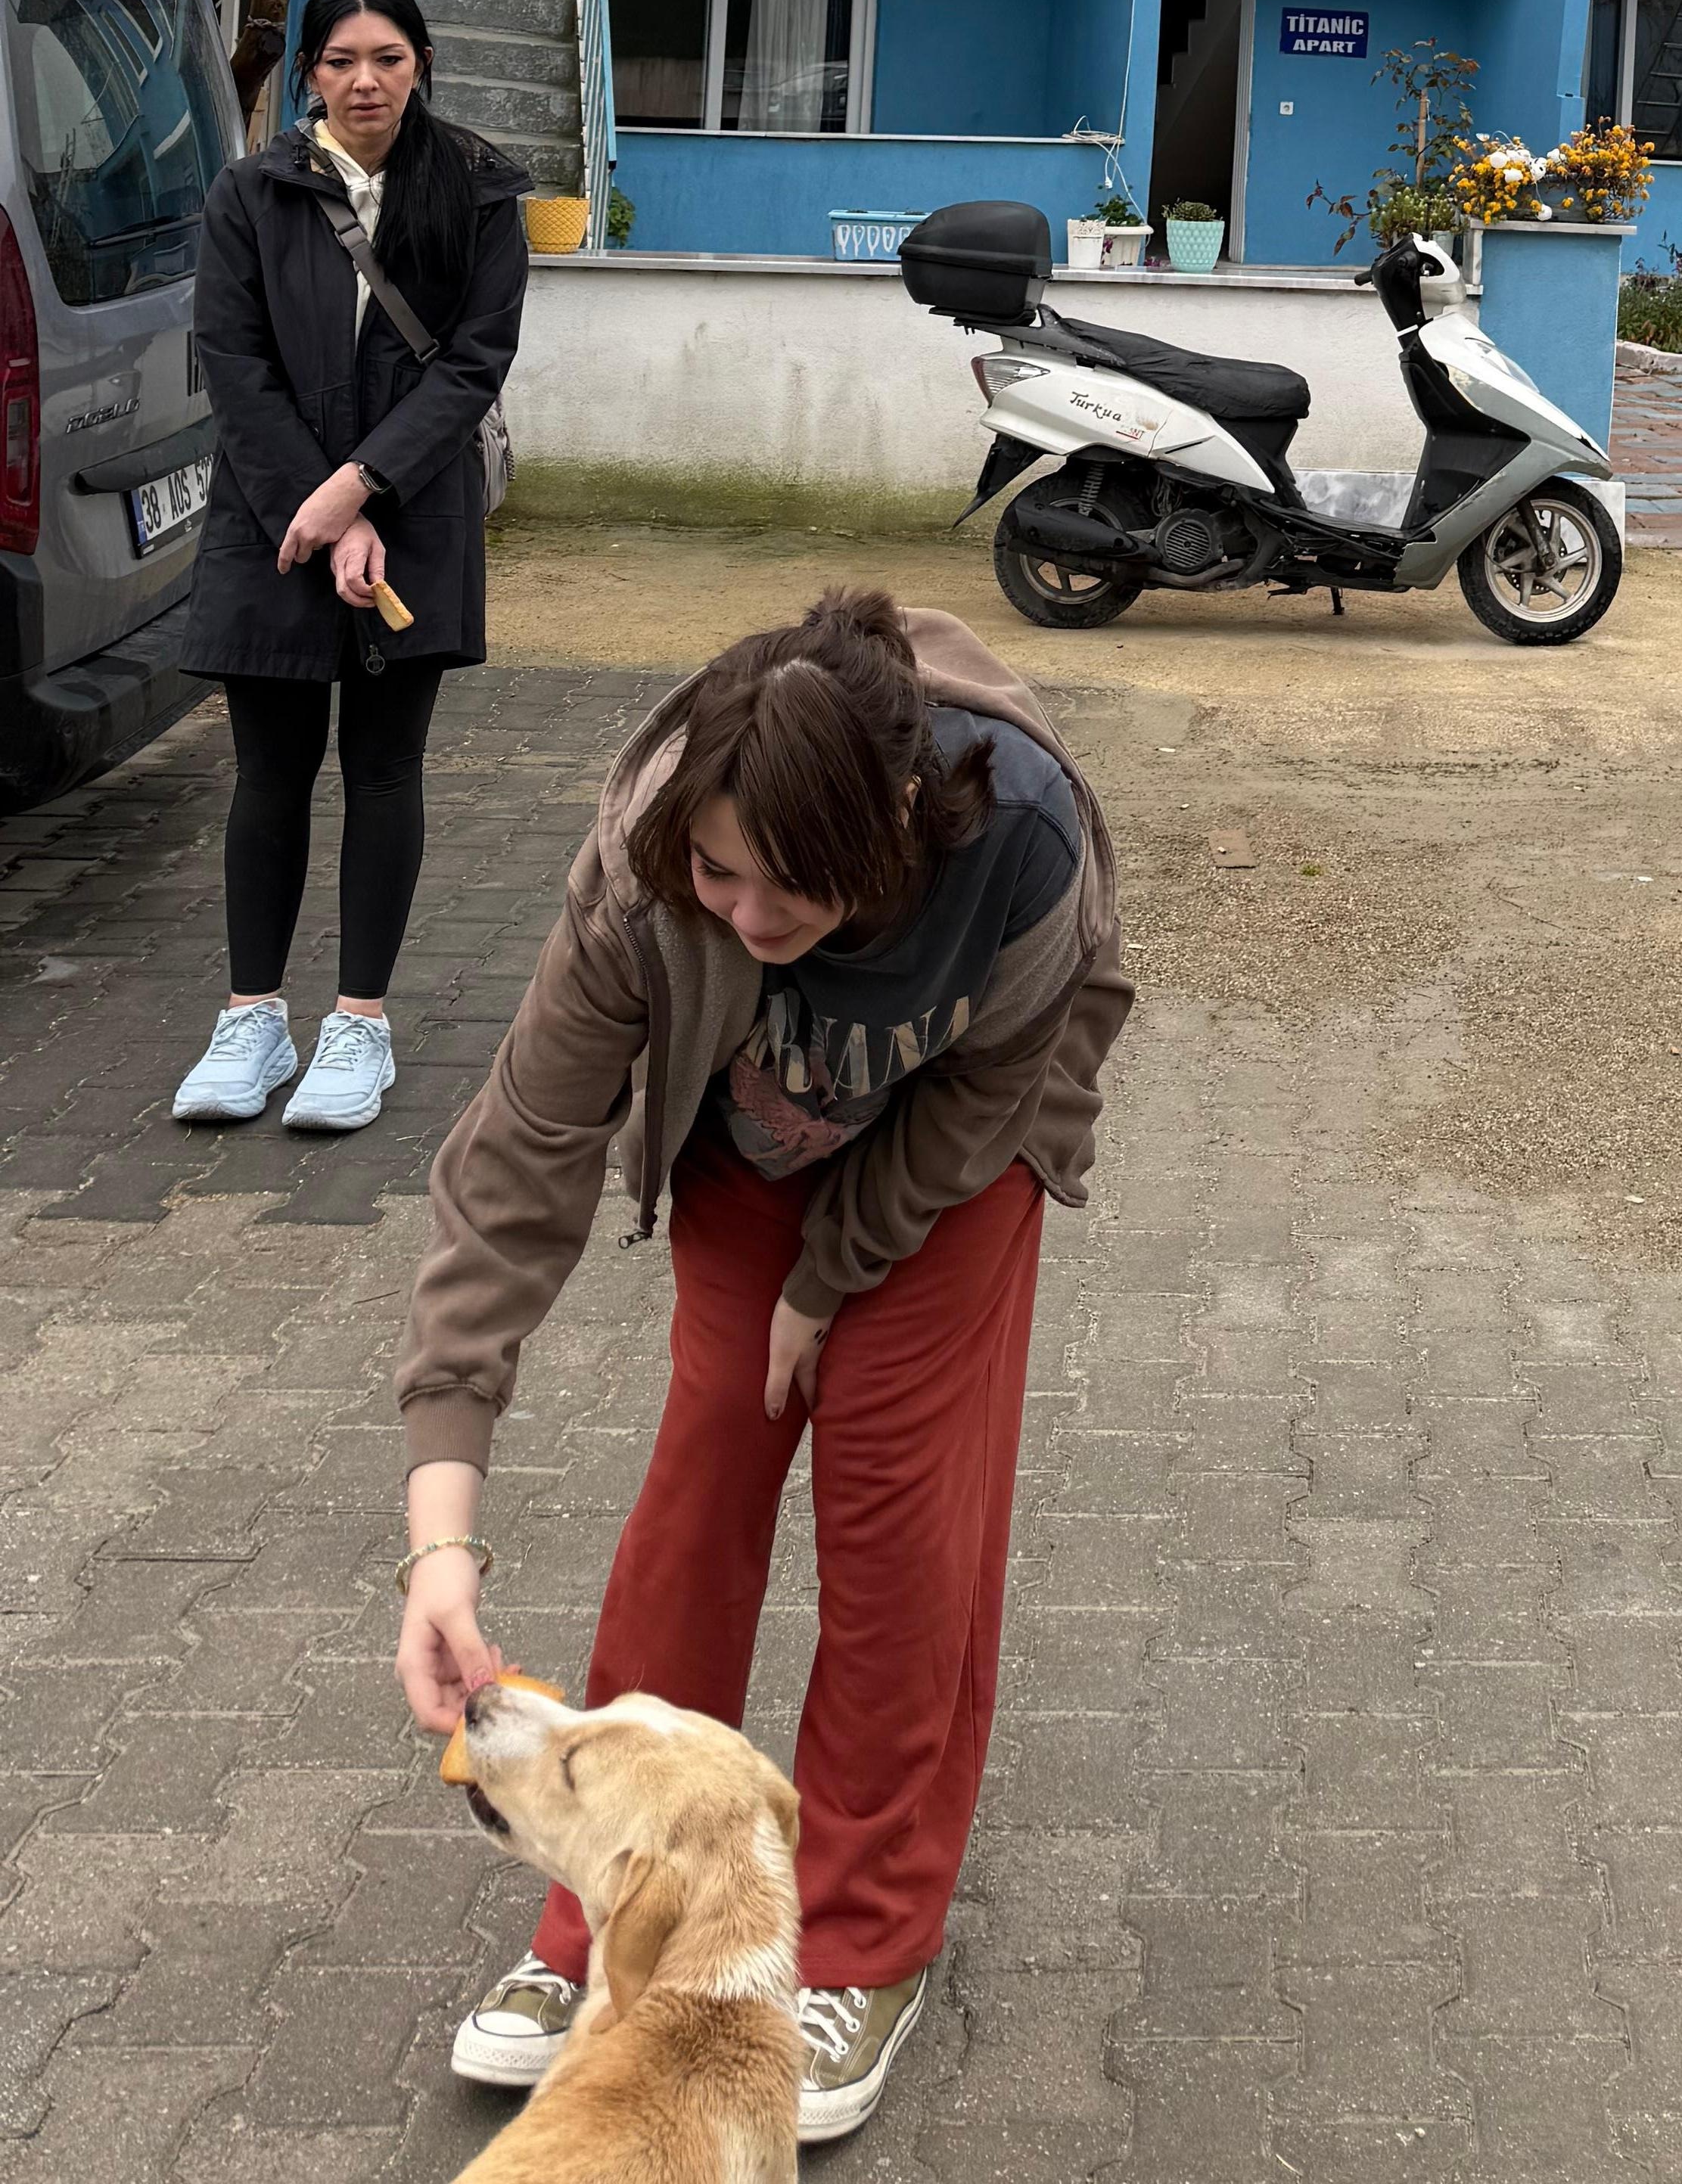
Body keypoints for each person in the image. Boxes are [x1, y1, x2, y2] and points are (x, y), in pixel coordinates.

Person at [390, 588, 1130, 2148]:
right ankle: (607, 1917)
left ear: (892, 833)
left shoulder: (1020, 846)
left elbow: (992, 1089)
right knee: (709, 1460)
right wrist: (438, 1542)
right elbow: (519, 1167)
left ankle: (859, 1943)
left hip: (951, 1163)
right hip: (750, 1145)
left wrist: (832, 1272)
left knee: (896, 1506)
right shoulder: (646, 873)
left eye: (792, 886)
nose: (745, 913)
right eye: (719, 875)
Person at [173, 0, 528, 1135]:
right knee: (269, 773)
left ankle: (359, 1024)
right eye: (340, 61)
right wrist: (322, 507)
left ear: (421, 64)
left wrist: (364, 487)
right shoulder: (252, 192)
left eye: (388, 57)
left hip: (413, 513)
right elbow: (234, 364)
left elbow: (473, 364)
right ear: (310, 74)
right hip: (274, 522)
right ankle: (252, 1017)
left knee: (383, 770)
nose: (365, 81)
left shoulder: (478, 191)